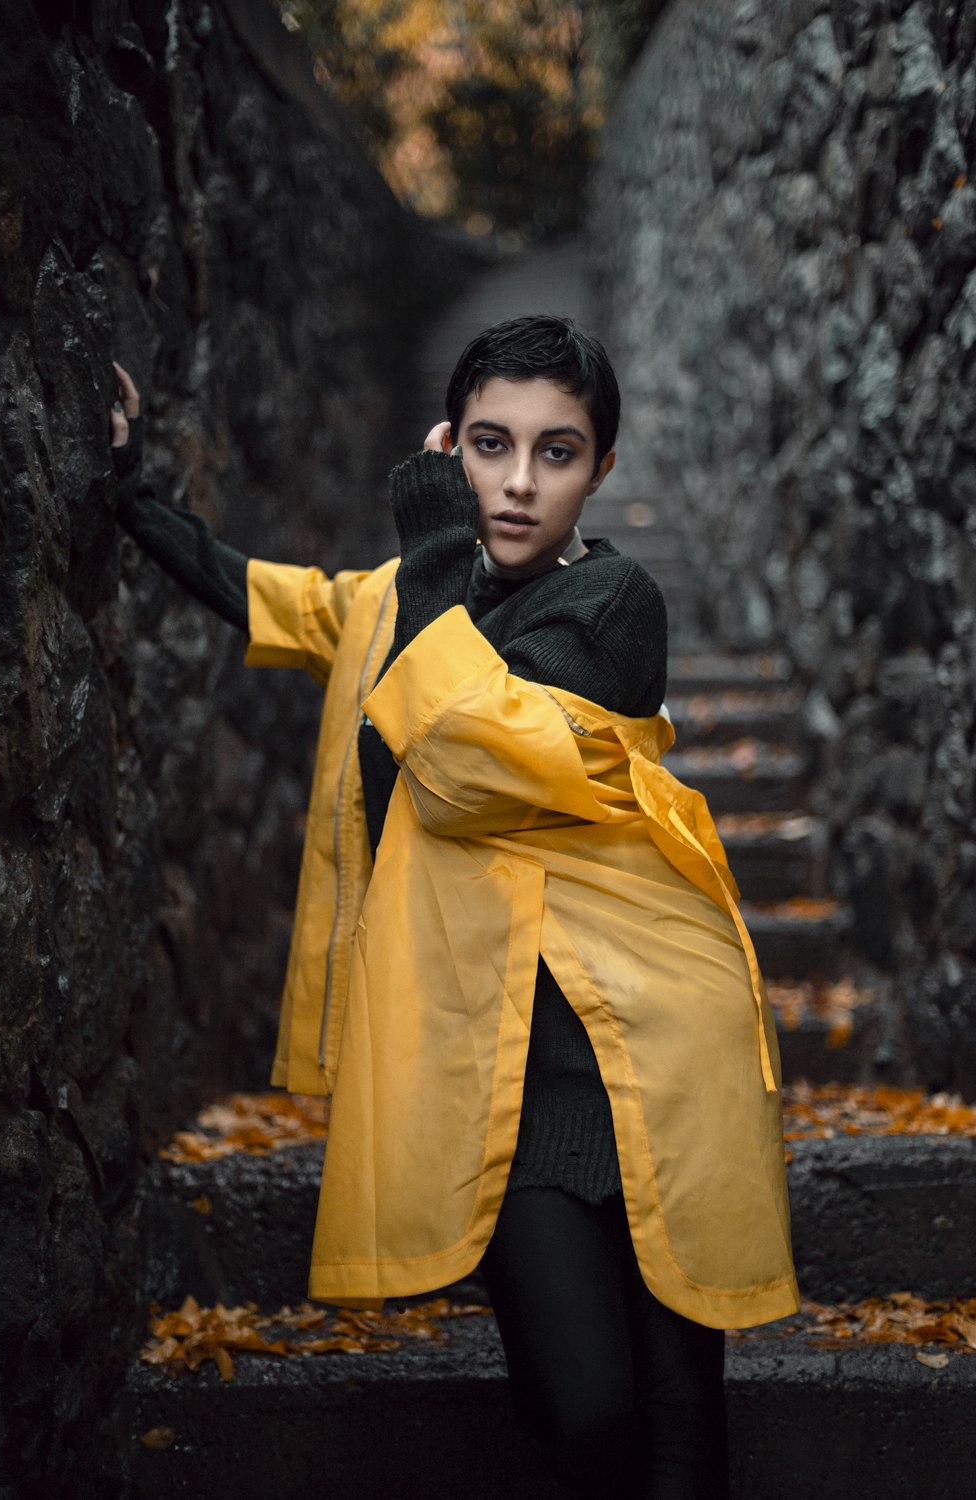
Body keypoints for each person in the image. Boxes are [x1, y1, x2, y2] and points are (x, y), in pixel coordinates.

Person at [110, 316, 798, 1498]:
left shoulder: (614, 604)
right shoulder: (400, 599)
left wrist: (432, 541)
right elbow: (271, 599)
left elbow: (473, 757)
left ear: (601, 471)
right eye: (489, 446)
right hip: (493, 1066)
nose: (519, 484)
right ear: (450, 445)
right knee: (582, 1411)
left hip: (647, 1043)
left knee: (683, 1419)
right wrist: (125, 491)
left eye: (557, 452)